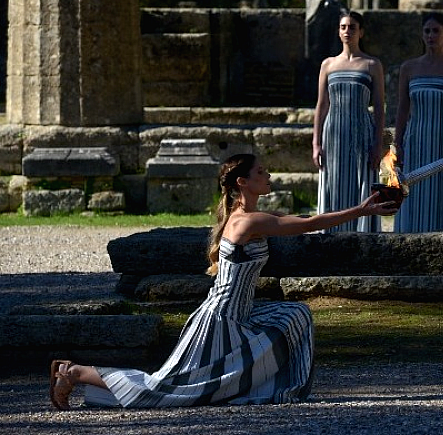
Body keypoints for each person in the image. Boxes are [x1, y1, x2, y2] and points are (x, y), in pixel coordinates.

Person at [48, 153, 398, 410]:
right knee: (164, 390)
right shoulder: (245, 223)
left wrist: (360, 207)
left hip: (241, 317)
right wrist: (361, 212)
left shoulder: (253, 216)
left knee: (296, 315)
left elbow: (305, 217)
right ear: (243, 182)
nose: (269, 174)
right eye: (261, 172)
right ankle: (75, 371)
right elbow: (309, 224)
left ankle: (273, 391)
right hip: (218, 322)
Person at [392, 12, 443, 232]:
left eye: (436, 31)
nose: (431, 35)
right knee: (414, 191)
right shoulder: (409, 68)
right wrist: (396, 144)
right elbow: (402, 108)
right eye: (427, 31)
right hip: (416, 139)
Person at [313, 10, 386, 233]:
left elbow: (380, 107)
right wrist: (316, 143)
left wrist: (378, 143)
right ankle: (331, 234)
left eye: (352, 27)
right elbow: (321, 105)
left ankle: (362, 235)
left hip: (361, 132)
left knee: (360, 183)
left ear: (361, 32)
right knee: (334, 182)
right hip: (333, 132)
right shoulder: (328, 64)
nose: (347, 31)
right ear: (338, 32)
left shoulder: (372, 65)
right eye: (343, 27)